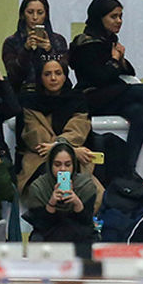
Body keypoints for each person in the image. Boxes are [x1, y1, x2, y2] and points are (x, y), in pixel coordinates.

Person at [68, 0, 143, 178]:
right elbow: (99, 77)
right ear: (100, 17)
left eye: (120, 16)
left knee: (139, 112)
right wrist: (115, 60)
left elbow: (128, 70)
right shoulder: (84, 42)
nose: (119, 21)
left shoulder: (109, 40)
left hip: (108, 96)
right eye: (113, 17)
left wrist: (119, 59)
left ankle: (129, 170)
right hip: (91, 98)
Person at [17, 58, 93, 191]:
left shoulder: (77, 100)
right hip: (40, 158)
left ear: (65, 77)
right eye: (47, 74)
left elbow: (77, 132)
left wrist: (58, 146)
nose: (53, 78)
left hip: (73, 160)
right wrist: (73, 151)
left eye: (58, 73)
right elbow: (37, 139)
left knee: (87, 187)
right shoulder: (30, 102)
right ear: (40, 78)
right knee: (47, 179)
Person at [22, 140, 98, 243]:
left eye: (67, 165)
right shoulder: (39, 187)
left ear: (74, 165)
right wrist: (51, 203)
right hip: (49, 231)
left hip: (77, 230)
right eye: (57, 165)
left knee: (88, 238)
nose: (62, 169)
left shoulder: (85, 185)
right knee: (37, 239)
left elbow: (86, 222)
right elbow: (40, 225)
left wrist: (77, 203)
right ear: (50, 165)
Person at [1, 0, 69, 94]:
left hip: (53, 95)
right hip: (22, 93)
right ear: (23, 15)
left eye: (40, 12)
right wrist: (26, 50)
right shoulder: (11, 42)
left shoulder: (57, 40)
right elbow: (13, 74)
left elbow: (63, 71)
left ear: (46, 15)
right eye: (30, 12)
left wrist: (49, 51)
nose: (35, 17)